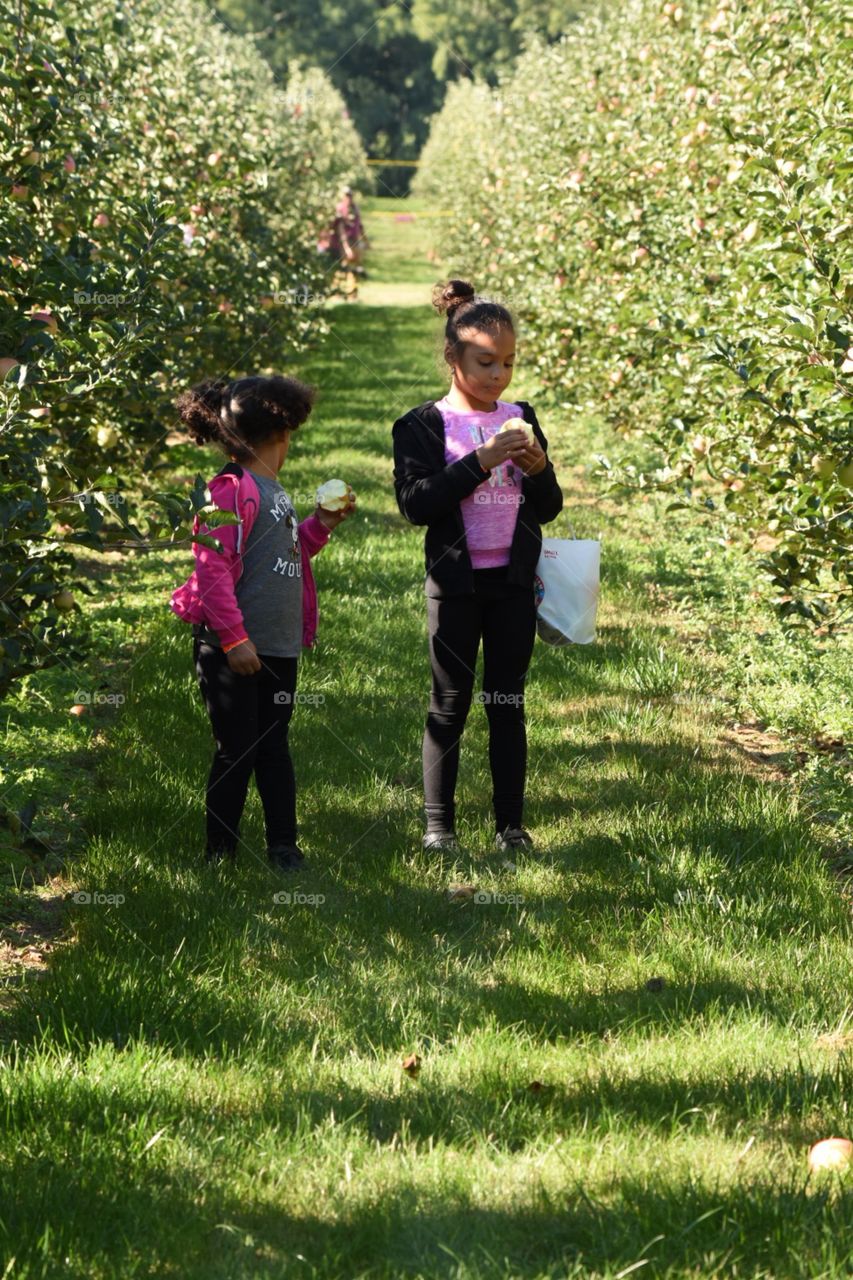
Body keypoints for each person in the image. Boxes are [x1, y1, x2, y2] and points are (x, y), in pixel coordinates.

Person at [391, 279, 563, 855]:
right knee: (450, 702)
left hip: (512, 584)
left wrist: (537, 467)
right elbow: (417, 504)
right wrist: (479, 461)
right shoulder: (420, 425)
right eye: (485, 362)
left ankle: (510, 826)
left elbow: (550, 506)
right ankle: (439, 827)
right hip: (456, 586)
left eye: (508, 362)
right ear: (453, 358)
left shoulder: (521, 415)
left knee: (507, 703)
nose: (498, 375)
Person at [169, 374, 356, 872]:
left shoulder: (272, 489)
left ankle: (284, 849)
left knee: (273, 748)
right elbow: (210, 572)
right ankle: (218, 853)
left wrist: (320, 525)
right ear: (283, 433)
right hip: (235, 647)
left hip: (276, 645)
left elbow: (285, 556)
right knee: (236, 750)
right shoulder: (229, 490)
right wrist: (234, 639)